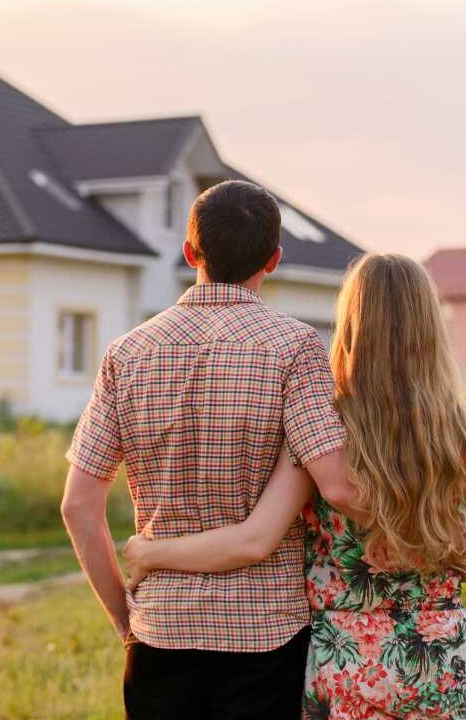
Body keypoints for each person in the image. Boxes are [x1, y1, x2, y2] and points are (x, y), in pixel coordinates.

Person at [123, 253, 466, 719]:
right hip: (442, 653)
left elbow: (253, 539)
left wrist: (151, 553)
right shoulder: (464, 426)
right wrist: (428, 577)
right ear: (429, 328)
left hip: (348, 660)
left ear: (350, 326)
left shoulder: (321, 429)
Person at [62, 180, 364, 719]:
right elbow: (337, 484)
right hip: (266, 633)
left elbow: (79, 505)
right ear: (274, 258)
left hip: (160, 630)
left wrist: (124, 620)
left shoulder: (125, 354)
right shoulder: (294, 348)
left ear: (189, 252)